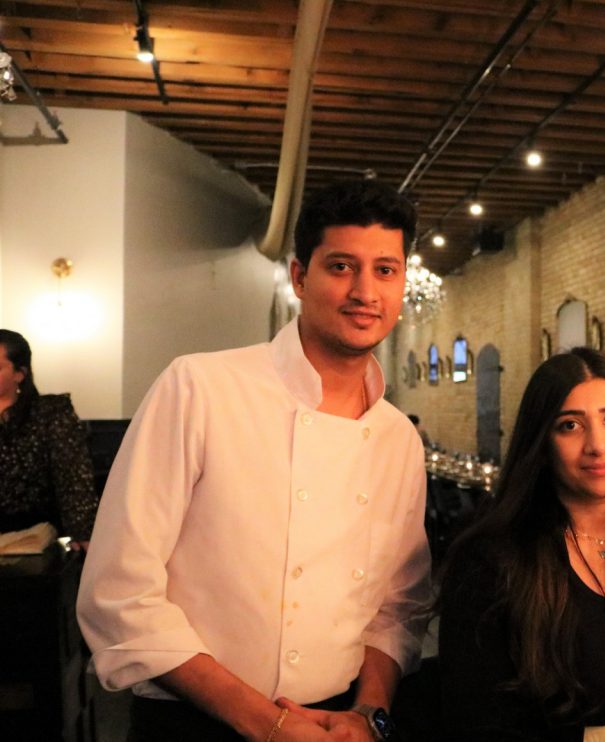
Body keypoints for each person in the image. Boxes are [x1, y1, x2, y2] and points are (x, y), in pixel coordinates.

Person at [77, 180, 432, 742]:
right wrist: (269, 724)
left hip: (338, 723)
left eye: (385, 270)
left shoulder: (398, 439)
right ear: (299, 277)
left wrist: (369, 714)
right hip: (193, 723)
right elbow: (119, 592)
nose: (365, 290)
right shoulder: (200, 387)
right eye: (341, 266)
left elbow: (397, 608)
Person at [438, 348, 605, 741]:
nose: (597, 445)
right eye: (570, 426)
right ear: (542, 445)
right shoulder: (490, 560)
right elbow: (476, 721)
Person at [0, 329, 97, 549]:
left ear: (19, 373)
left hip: (33, 537)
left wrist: (83, 531)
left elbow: (72, 475)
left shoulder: (48, 413)